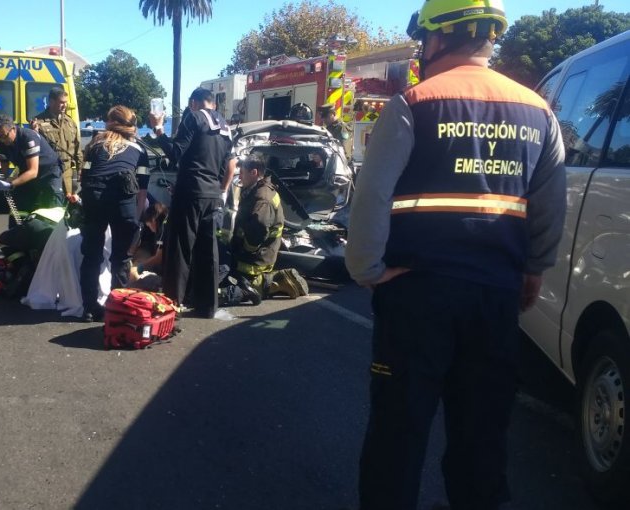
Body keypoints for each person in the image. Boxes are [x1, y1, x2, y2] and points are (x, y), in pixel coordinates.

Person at [344, 1, 567, 509]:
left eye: (423, 38)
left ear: (440, 37)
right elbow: (550, 205)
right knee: (481, 440)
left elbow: (372, 197)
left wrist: (367, 270)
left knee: (397, 438)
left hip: (415, 295)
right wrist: (534, 268)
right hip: (495, 298)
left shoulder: (413, 103)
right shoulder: (539, 111)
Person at [149, 87, 233, 318]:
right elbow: (229, 163)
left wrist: (158, 128)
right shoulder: (225, 126)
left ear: (194, 103)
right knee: (208, 251)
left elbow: (175, 152)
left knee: (180, 249)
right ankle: (208, 305)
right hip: (212, 194)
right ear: (212, 103)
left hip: (190, 191)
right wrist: (221, 190)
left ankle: (171, 305)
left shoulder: (193, 117)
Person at [78, 106, 150, 322]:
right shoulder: (139, 150)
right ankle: (116, 309)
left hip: (94, 198)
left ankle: (90, 308)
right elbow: (142, 189)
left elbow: (85, 175)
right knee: (121, 257)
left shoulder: (94, 145)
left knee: (91, 255)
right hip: (122, 201)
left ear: (111, 122)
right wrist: (134, 220)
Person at [219, 155, 308, 306]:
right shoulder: (256, 190)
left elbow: (258, 229)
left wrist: (245, 250)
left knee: (228, 290)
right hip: (252, 253)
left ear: (254, 173)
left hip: (255, 258)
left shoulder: (262, 197)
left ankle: (269, 282)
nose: (239, 177)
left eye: (242, 173)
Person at [0, 114, 65, 229]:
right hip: (26, 173)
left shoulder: (28, 137)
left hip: (49, 174)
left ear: (13, 129)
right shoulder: (1, 144)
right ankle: (17, 237)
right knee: (20, 205)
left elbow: (33, 171)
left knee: (52, 210)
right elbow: (3, 171)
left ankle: (51, 242)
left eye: (4, 136)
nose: (2, 139)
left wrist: (10, 184)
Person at [35, 87, 83, 199]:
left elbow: (77, 148)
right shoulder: (38, 122)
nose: (64, 105)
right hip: (49, 172)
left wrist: (81, 168)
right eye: (61, 102)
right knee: (53, 202)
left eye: (66, 102)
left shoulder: (70, 122)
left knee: (70, 203)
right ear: (51, 102)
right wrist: (34, 133)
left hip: (68, 172)